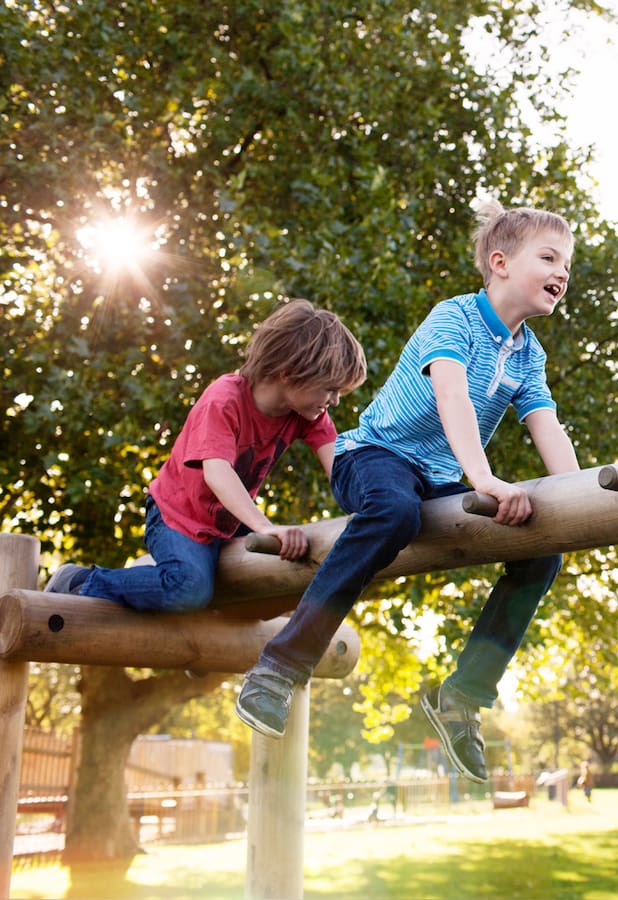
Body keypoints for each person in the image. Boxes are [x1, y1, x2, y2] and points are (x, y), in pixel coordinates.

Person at [236, 201, 580, 786]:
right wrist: (486, 479)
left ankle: (461, 696)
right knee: (394, 512)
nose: (562, 272)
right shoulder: (454, 319)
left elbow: (546, 425)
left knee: (543, 547)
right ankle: (280, 667)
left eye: (568, 264)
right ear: (499, 263)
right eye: (548, 258)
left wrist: (580, 505)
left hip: (444, 476)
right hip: (374, 456)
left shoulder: (529, 354)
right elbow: (453, 400)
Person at [44, 299, 366, 611]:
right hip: (178, 517)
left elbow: (341, 468)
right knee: (188, 588)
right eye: (330, 388)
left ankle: (204, 631)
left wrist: (373, 504)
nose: (335, 400)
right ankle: (81, 581)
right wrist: (264, 527)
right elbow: (217, 474)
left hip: (227, 522)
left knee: (280, 582)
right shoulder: (224, 400)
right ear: (288, 373)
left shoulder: (307, 415)